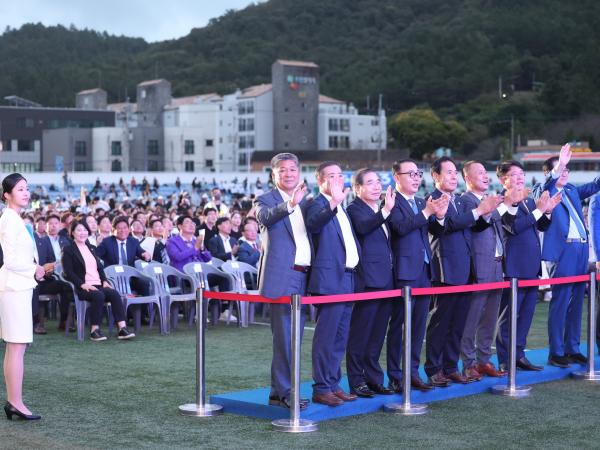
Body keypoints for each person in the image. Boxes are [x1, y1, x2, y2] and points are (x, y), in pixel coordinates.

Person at [424, 157, 499, 386]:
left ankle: (450, 367)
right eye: (448, 172)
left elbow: (473, 225)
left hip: (466, 270)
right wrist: (478, 212)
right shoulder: (433, 200)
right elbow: (447, 225)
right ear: (435, 176)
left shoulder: (456, 200)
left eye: (455, 172)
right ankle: (434, 368)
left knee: (458, 324)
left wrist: (485, 213)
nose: (453, 177)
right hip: (446, 270)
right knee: (441, 324)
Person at [533, 144, 600, 367]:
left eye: (567, 170)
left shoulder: (571, 190)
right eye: (561, 169)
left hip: (580, 250)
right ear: (550, 172)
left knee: (577, 302)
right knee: (560, 302)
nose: (565, 173)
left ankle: (572, 348)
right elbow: (546, 184)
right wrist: (560, 164)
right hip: (562, 252)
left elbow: (594, 186)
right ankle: (556, 351)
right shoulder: (545, 190)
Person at [255, 152, 312, 410]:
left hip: (303, 276)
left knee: (295, 338)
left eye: (292, 169)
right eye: (283, 171)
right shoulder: (265, 199)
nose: (289, 174)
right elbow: (265, 218)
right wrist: (290, 204)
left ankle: (280, 392)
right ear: (273, 175)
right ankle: (285, 391)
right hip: (282, 276)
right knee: (285, 338)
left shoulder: (307, 201)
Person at [387, 159, 448, 392]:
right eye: (410, 173)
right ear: (396, 177)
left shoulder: (422, 202)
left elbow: (435, 230)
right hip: (404, 272)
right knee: (400, 326)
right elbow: (400, 228)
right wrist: (427, 212)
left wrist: (439, 215)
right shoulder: (392, 201)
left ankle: (412, 371)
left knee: (418, 326)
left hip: (424, 271)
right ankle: (395, 375)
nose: (415, 177)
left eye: (417, 173)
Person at [306, 161, 361, 407]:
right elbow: (314, 224)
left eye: (340, 175)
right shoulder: (316, 203)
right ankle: (321, 387)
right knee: (326, 336)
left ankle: (333, 383)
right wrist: (334, 202)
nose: (338, 179)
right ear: (320, 181)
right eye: (331, 176)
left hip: (348, 276)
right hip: (330, 279)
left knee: (340, 336)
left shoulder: (342, 207)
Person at [496, 160, 558, 372]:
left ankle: (519, 354)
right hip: (513, 267)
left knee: (526, 314)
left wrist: (547, 211)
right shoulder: (502, 201)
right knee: (509, 316)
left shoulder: (529, 201)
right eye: (514, 174)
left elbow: (541, 225)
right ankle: (505, 359)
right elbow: (513, 228)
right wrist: (539, 211)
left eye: (521, 173)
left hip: (532, 266)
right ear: (503, 179)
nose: (520, 177)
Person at [459, 161, 513, 379]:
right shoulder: (464, 201)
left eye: (485, 172)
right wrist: (488, 209)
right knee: (472, 316)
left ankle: (483, 360)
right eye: (479, 173)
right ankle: (469, 362)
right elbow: (473, 228)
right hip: (479, 266)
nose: (485, 176)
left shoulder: (488, 200)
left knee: (490, 317)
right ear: (468, 179)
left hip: (497, 264)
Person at [345, 168, 395, 397]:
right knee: (360, 334)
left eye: (379, 182)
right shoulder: (354, 209)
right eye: (371, 183)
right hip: (368, 281)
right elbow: (364, 228)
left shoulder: (380, 209)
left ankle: (374, 378)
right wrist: (385, 211)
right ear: (358, 188)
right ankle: (357, 380)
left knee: (377, 335)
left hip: (387, 279)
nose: (377, 186)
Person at [0, 173, 45, 420]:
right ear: (7, 195)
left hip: (18, 286)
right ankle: (15, 403)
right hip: (15, 287)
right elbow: (13, 260)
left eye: (27, 188)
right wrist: (35, 269)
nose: (26, 193)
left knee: (16, 346)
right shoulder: (9, 219)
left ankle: (13, 401)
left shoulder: (15, 218)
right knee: (16, 346)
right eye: (20, 189)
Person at [62, 220, 135, 342]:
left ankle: (122, 328)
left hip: (98, 284)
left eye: (85, 230)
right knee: (98, 296)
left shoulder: (91, 248)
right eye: (79, 230)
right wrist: (82, 284)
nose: (82, 233)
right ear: (72, 233)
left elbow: (99, 267)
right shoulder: (68, 249)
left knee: (114, 294)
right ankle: (94, 330)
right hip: (83, 287)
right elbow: (68, 272)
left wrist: (105, 281)